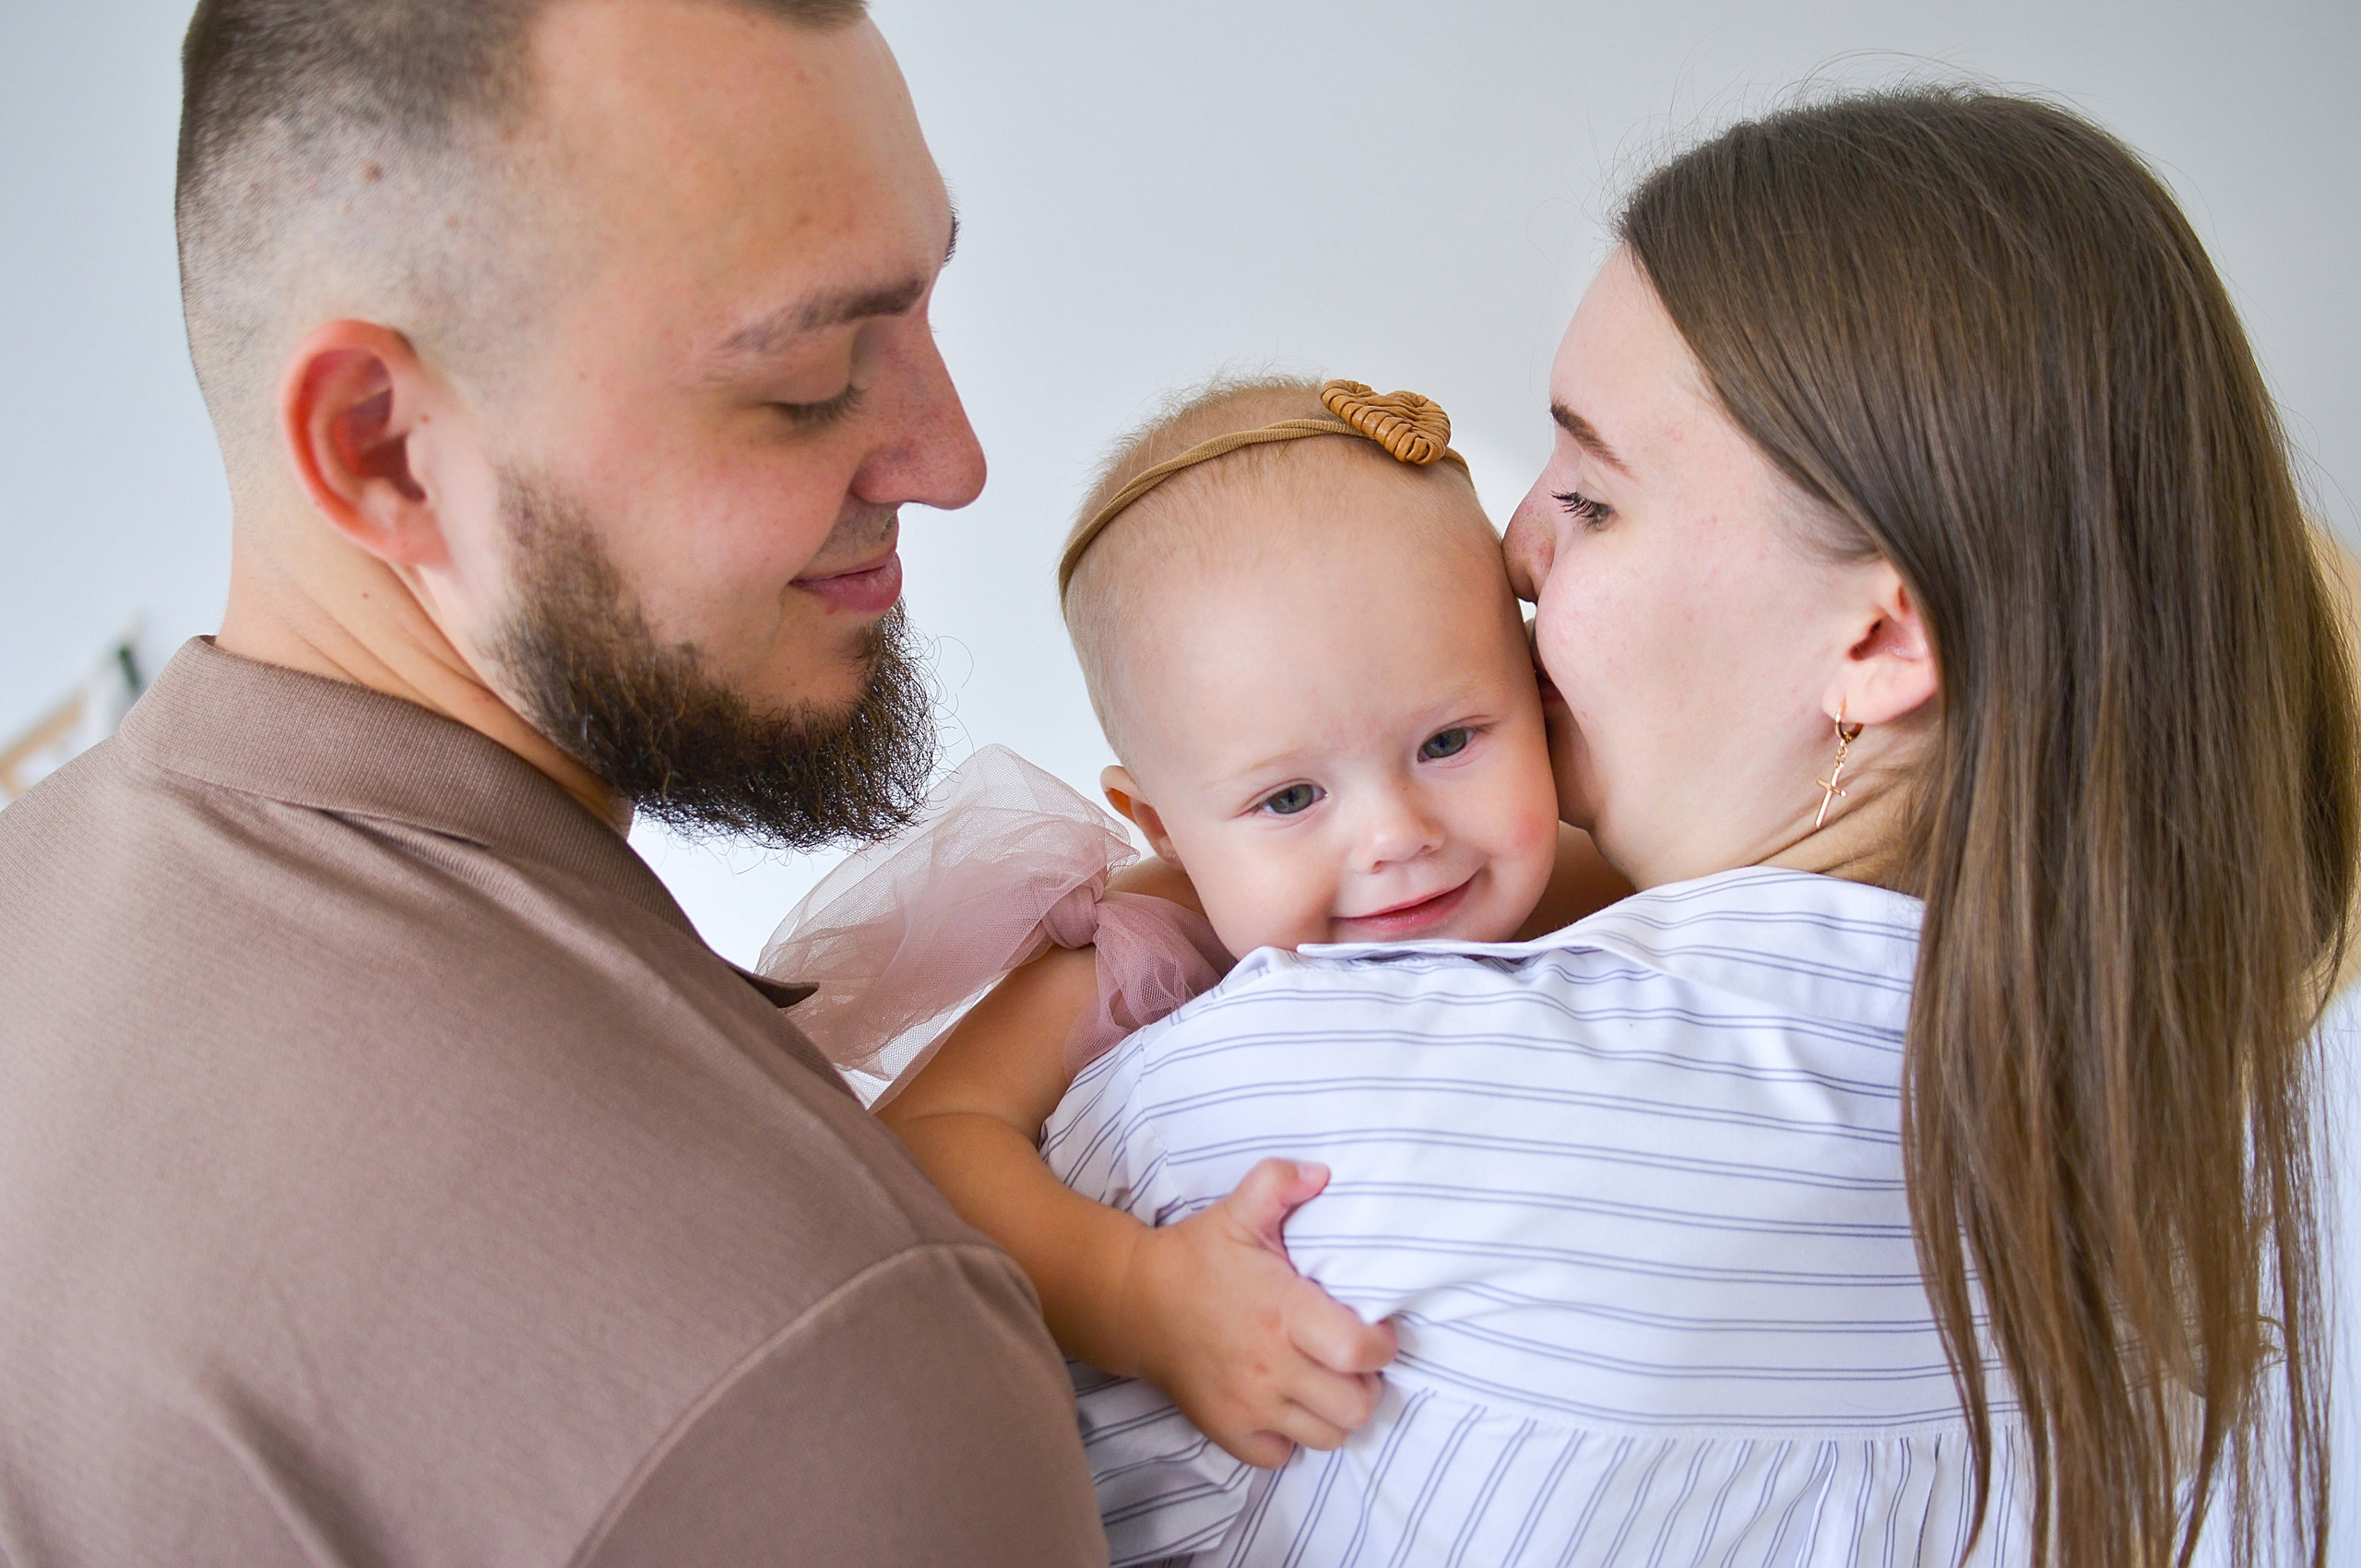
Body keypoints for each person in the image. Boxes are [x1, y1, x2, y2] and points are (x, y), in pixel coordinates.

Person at [915, 90, 2358, 1567]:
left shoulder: (1275, 1116)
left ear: (1876, 642)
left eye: (1594, 498)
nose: (1517, 549)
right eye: (1290, 796)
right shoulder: (2192, 1165)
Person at [0, 1, 1105, 1563]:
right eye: (807, 378)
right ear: (382, 448)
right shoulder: (820, 1350)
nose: (954, 457)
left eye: (929, 301)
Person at [763, 374, 1629, 1470]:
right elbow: (929, 1138)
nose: (1395, 834)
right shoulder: (1152, 941)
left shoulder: (1604, 879)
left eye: (1448, 741)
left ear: (1539, 692)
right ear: (1162, 826)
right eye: (1291, 797)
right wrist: (1139, 1293)